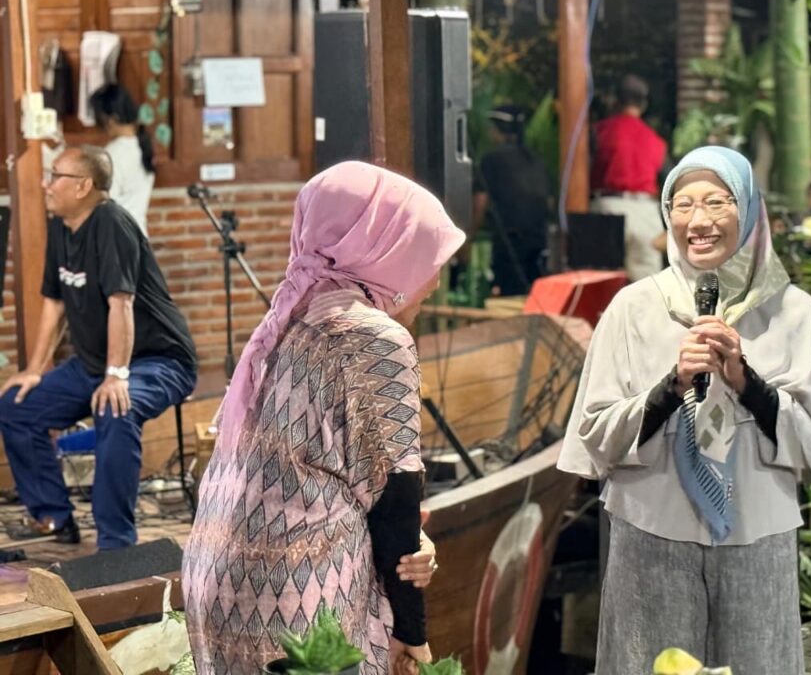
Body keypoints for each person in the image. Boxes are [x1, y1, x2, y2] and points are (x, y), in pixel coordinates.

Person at [558, 146, 811, 674]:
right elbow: (594, 434)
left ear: (749, 208)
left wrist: (746, 381)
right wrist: (671, 386)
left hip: (757, 532)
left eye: (717, 202)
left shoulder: (794, 312)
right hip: (651, 529)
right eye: (683, 204)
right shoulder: (633, 308)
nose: (698, 221)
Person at [183, 161, 466, 675]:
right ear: (383, 250)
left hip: (219, 586)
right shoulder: (373, 336)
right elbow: (394, 499)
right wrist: (412, 635)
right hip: (301, 605)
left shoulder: (290, 313)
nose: (434, 280)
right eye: (425, 255)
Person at [0, 146, 197, 549]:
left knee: (114, 407)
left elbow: (121, 303)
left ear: (84, 186)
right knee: (17, 407)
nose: (46, 184)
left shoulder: (111, 223)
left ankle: (115, 545)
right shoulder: (61, 226)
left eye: (56, 176)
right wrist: (35, 369)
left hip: (158, 361)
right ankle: (53, 518)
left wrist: (116, 375)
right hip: (96, 363)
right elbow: (55, 304)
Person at [591, 74, 668, 281]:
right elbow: (669, 180)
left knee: (602, 282)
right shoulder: (655, 140)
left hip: (607, 207)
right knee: (648, 285)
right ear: (643, 105)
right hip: (645, 211)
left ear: (615, 101)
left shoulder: (600, 131)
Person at [473, 106, 549, 296]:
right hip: (539, 240)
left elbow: (480, 202)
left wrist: (469, 235)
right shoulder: (537, 160)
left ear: (498, 131)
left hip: (509, 242)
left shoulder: (492, 160)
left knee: (509, 295)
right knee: (532, 294)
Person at [90, 84, 156, 236]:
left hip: (117, 239)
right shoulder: (143, 145)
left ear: (112, 119)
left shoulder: (112, 154)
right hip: (139, 235)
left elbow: (104, 204)